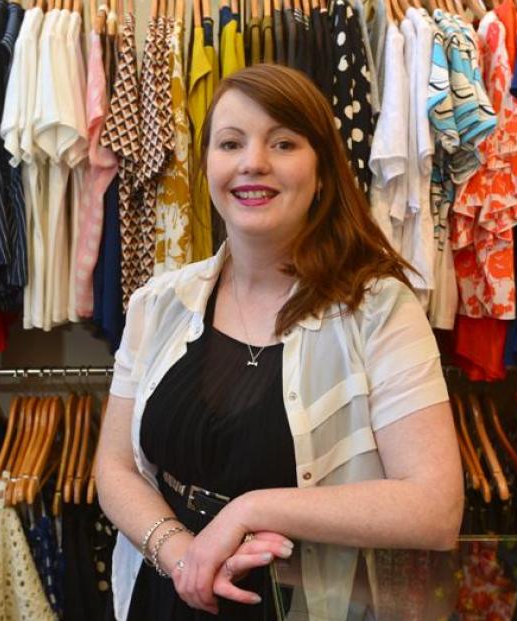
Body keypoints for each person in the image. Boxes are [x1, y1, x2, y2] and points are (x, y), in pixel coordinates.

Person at [95, 64, 462, 620]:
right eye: (230, 143)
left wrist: (250, 511)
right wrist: (182, 556)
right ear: (208, 166)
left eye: (283, 142)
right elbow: (115, 467)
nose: (253, 163)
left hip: (310, 603)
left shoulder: (380, 310)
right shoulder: (158, 303)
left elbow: (434, 508)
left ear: (321, 172)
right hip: (171, 592)